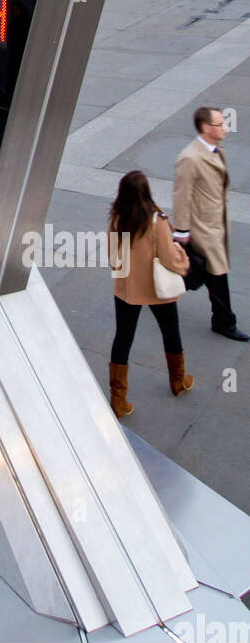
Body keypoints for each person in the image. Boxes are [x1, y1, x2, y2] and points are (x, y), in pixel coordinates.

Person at [107, 171, 191, 418]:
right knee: (171, 333)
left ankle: (118, 400)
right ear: (147, 192)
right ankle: (178, 382)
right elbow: (169, 258)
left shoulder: (116, 219)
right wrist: (183, 261)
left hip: (127, 290)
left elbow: (114, 259)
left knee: (123, 339)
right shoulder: (158, 221)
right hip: (157, 290)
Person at [173, 106, 248, 341]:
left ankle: (154, 290)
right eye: (220, 124)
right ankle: (224, 322)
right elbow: (181, 196)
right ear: (206, 128)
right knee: (217, 274)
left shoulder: (217, 150)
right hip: (203, 229)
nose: (225, 127)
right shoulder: (189, 158)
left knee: (196, 273)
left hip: (216, 224)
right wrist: (182, 231)